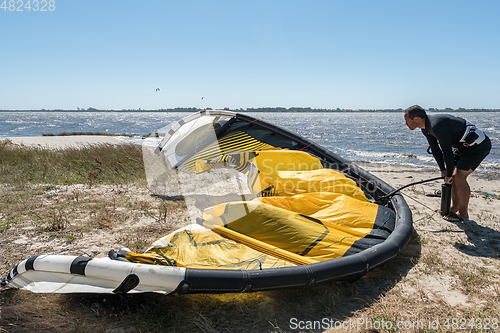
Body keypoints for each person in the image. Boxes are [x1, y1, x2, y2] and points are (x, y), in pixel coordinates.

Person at [404, 105, 491, 222]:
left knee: (458, 177)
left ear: (416, 119)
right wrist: (443, 170)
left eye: (406, 120)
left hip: (478, 146)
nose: (406, 123)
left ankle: (463, 215)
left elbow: (446, 150)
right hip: (462, 147)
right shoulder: (425, 128)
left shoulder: (436, 125)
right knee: (453, 177)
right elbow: (435, 149)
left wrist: (449, 173)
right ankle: (454, 208)